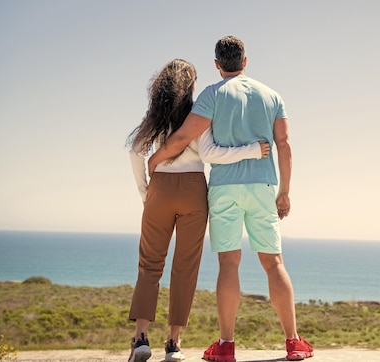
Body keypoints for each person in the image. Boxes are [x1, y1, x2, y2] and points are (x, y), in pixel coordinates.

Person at [147, 37, 314, 361]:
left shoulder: (211, 95)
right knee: (273, 262)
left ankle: (225, 346)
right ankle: (293, 342)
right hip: (263, 185)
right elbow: (285, 144)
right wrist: (285, 192)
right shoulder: (272, 96)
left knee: (228, 262)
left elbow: (183, 137)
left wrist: (156, 161)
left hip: (224, 189)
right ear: (246, 61)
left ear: (217, 64)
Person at [126, 58, 270, 362]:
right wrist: (253, 150)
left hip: (160, 188)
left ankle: (141, 339)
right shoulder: (198, 114)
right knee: (185, 268)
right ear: (190, 86)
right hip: (193, 190)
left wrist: (145, 192)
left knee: (150, 265)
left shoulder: (154, 118)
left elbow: (136, 151)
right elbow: (209, 152)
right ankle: (174, 344)